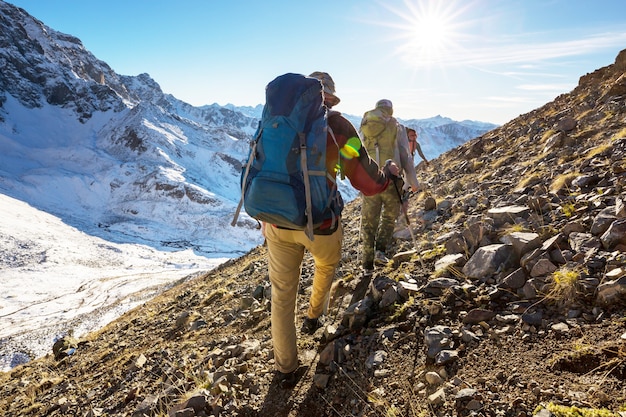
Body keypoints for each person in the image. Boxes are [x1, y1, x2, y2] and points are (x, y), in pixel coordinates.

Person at [262, 72, 399, 389]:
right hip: (320, 224)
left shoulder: (275, 121)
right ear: (331, 98)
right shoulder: (339, 127)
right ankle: (313, 316)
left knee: (281, 296)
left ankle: (285, 369)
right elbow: (364, 180)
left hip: (276, 224)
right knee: (325, 266)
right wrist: (387, 176)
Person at [359, 99, 419, 273]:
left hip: (370, 179)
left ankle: (367, 264)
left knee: (369, 222)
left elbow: (357, 151)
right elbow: (405, 154)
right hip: (391, 180)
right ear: (390, 110)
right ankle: (380, 250)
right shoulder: (396, 126)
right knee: (388, 216)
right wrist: (413, 182)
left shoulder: (365, 124)